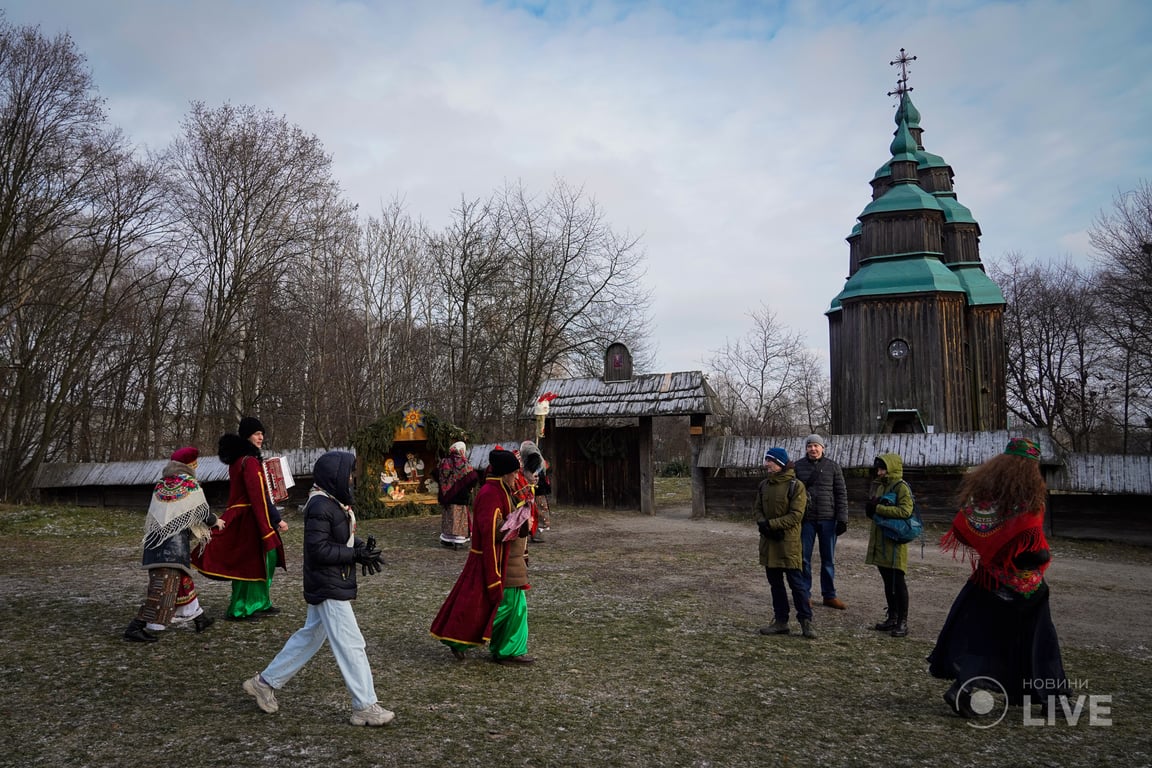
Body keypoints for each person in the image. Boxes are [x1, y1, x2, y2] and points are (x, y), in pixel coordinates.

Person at [242, 450, 394, 726]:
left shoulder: (333, 503)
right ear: (334, 475)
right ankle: (365, 705)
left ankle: (264, 683)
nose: (351, 479)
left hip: (330, 581)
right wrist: (354, 555)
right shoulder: (320, 505)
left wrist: (361, 548)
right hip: (327, 585)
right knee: (352, 644)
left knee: (310, 637)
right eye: (347, 473)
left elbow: (339, 538)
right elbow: (318, 549)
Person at [928, 437, 1068, 717]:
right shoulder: (1029, 501)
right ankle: (1052, 699)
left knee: (985, 638)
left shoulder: (985, 497)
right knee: (1040, 641)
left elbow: (962, 528)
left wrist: (991, 551)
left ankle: (964, 688)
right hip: (1025, 588)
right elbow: (1034, 548)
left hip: (987, 580)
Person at [430, 447, 536, 664]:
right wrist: (520, 520)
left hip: (509, 559)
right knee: (496, 608)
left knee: (511, 606)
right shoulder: (490, 493)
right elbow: (492, 530)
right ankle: (469, 641)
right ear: (506, 473)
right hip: (496, 560)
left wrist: (523, 517)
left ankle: (507, 648)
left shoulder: (503, 489)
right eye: (514, 473)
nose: (517, 477)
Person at [124, 446, 223, 642]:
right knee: (163, 590)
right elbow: (201, 512)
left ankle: (199, 618)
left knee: (181, 583)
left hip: (155, 543)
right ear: (191, 465)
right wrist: (215, 522)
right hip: (173, 547)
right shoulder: (189, 484)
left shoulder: (161, 484)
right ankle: (135, 627)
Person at [192, 416, 287, 621]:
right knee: (250, 564)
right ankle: (240, 608)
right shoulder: (249, 461)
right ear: (247, 436)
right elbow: (257, 496)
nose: (261, 437)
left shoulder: (240, 460)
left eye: (262, 433)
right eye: (257, 433)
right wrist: (270, 524)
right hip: (249, 520)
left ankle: (260, 602)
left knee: (262, 561)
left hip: (246, 517)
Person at [755, 447, 814, 639]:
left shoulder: (796, 486)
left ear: (779, 463)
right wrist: (762, 524)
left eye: (769, 461)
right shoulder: (764, 485)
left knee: (797, 584)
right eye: (766, 460)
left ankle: (806, 622)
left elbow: (797, 515)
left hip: (788, 543)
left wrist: (771, 524)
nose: (766, 464)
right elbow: (757, 508)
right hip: (769, 543)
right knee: (775, 584)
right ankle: (781, 621)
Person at [792, 433, 849, 610]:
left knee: (828, 559)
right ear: (806, 448)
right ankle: (805, 594)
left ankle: (829, 595)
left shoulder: (833, 467)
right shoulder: (798, 467)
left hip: (828, 519)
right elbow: (792, 493)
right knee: (804, 559)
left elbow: (841, 494)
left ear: (823, 448)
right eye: (810, 446)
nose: (813, 449)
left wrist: (842, 518)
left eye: (816, 446)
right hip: (806, 520)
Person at [865, 453, 913, 637]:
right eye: (878, 469)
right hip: (881, 540)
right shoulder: (880, 487)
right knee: (887, 582)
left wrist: (878, 508)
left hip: (895, 542)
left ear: (891, 468)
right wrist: (871, 510)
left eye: (882, 468)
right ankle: (892, 617)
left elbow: (905, 510)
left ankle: (903, 621)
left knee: (898, 582)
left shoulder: (901, 487)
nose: (879, 472)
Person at [436, 441, 479, 549]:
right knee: (459, 518)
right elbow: (473, 476)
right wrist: (469, 487)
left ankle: (446, 539)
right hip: (460, 495)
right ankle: (458, 540)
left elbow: (435, 473)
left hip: (446, 495)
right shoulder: (462, 462)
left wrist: (444, 485)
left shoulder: (444, 461)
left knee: (448, 517)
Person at [520, 440, 552, 533]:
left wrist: (533, 473)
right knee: (537, 505)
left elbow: (535, 465)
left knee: (540, 504)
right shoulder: (531, 452)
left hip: (538, 484)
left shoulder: (532, 454)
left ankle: (544, 525)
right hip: (536, 482)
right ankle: (540, 524)